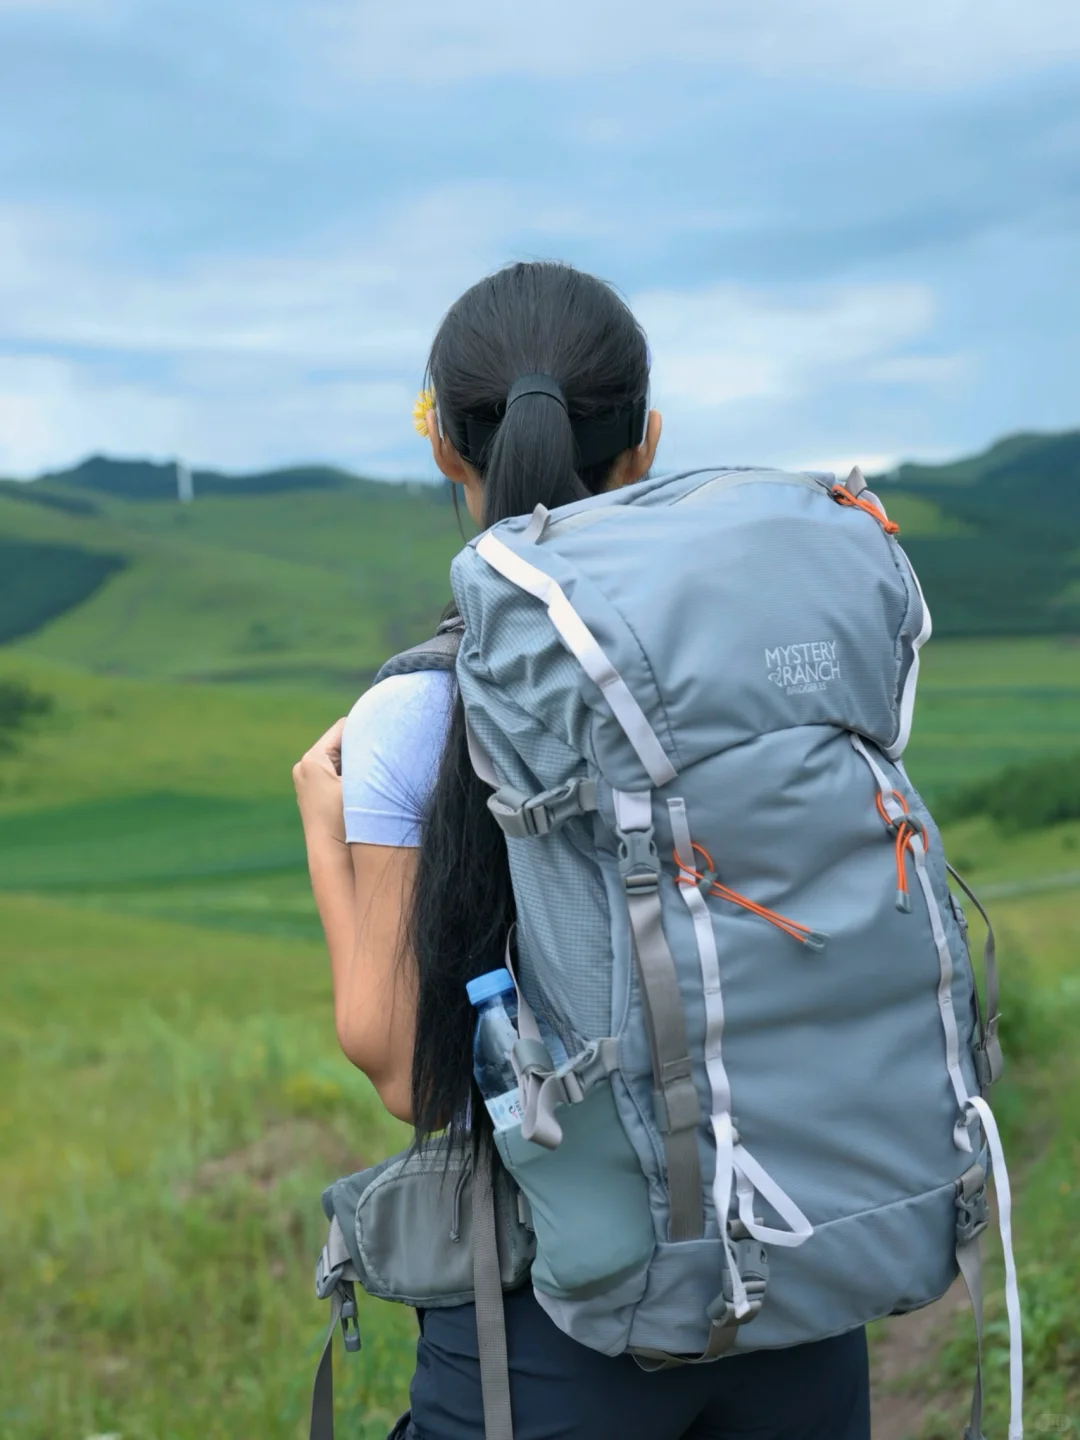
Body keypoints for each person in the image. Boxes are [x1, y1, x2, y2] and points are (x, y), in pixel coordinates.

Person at [292, 261, 871, 1440]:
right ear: (645, 444)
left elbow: (403, 1071)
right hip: (801, 1261)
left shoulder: (416, 711)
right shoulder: (755, 666)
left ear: (446, 450)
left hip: (556, 1304)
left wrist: (321, 821)